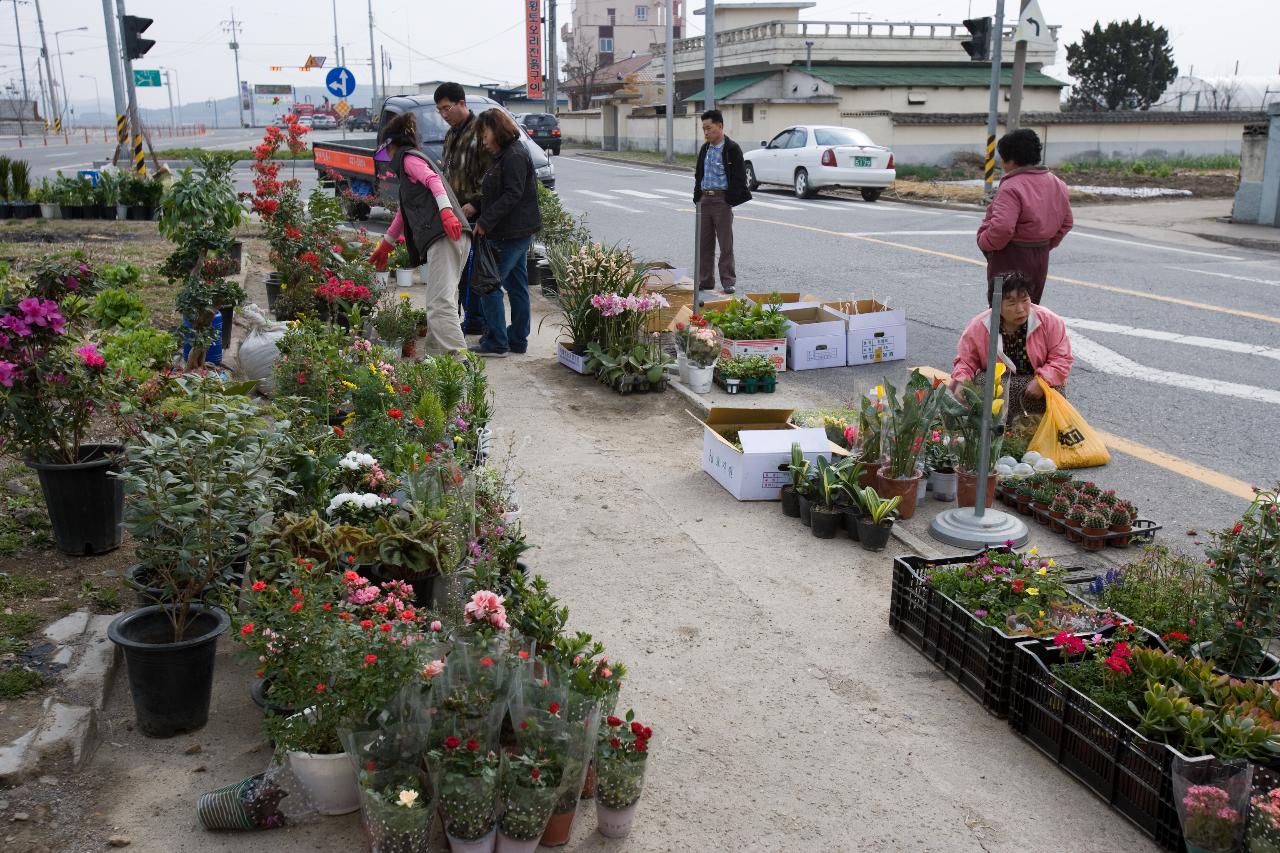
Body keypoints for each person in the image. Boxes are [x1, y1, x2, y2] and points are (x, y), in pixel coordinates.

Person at [368, 112, 469, 356]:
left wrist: (446, 211)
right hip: (449, 236)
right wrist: (387, 244)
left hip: (444, 235)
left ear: (391, 146)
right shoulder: (408, 166)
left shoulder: (408, 159)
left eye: (387, 151)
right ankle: (437, 357)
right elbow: (404, 213)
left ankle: (459, 360)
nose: (388, 158)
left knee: (439, 303)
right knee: (440, 299)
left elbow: (433, 181)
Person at [468, 108, 541, 358]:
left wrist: (485, 221)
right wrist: (477, 204)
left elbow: (513, 193)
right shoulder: (505, 155)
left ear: (496, 129)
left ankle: (497, 342)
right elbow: (497, 191)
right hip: (515, 232)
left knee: (489, 285)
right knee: (517, 285)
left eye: (484, 133)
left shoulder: (514, 155)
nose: (483, 139)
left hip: (511, 233)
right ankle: (517, 339)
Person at [951, 272, 1073, 417]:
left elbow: (1062, 358)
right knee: (982, 382)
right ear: (996, 305)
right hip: (1000, 388)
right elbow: (966, 361)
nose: (1020, 309)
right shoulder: (979, 326)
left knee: (1055, 387)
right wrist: (961, 383)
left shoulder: (1049, 321)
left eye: (1024, 300)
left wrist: (1042, 381)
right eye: (1012, 303)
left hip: (1035, 387)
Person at [976, 128, 1073, 305]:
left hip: (1010, 255)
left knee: (1004, 311)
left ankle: (1004, 335)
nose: (1002, 165)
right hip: (1041, 256)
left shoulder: (1011, 186)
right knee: (1029, 310)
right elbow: (1066, 223)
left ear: (1011, 160)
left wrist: (984, 241)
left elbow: (1002, 228)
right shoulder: (1057, 183)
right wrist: (1046, 244)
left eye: (1003, 159)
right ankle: (1026, 335)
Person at [434, 82, 492, 335]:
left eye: (447, 108)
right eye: (440, 111)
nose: (444, 115)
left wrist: (476, 203)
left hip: (475, 213)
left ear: (461, 103)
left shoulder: (481, 132)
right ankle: (462, 318)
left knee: (473, 272)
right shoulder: (451, 134)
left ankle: (475, 322)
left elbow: (490, 174)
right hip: (455, 212)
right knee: (457, 271)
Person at [692, 109, 751, 294]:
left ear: (720, 126)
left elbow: (740, 177)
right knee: (704, 244)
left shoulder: (732, 149)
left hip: (721, 200)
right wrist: (697, 196)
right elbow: (698, 174)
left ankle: (728, 281)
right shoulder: (705, 149)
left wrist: (729, 199)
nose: (706, 132)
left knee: (726, 244)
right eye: (703, 129)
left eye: (709, 128)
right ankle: (705, 280)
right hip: (704, 200)